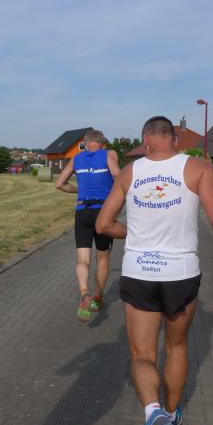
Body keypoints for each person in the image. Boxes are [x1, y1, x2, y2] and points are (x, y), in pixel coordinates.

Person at [96, 116, 213, 425]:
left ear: (146, 141)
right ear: (174, 139)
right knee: (177, 346)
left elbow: (103, 224)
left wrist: (134, 234)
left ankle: (151, 412)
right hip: (180, 274)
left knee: (142, 355)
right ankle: (170, 415)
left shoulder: (129, 172)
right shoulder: (199, 168)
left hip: (139, 272)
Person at [55, 129, 120, 322]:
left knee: (83, 260)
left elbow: (59, 184)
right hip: (103, 212)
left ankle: (84, 292)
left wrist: (79, 190)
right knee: (103, 257)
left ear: (85, 142)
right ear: (102, 142)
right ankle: (97, 298)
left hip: (82, 211)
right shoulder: (109, 154)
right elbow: (117, 174)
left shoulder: (76, 158)